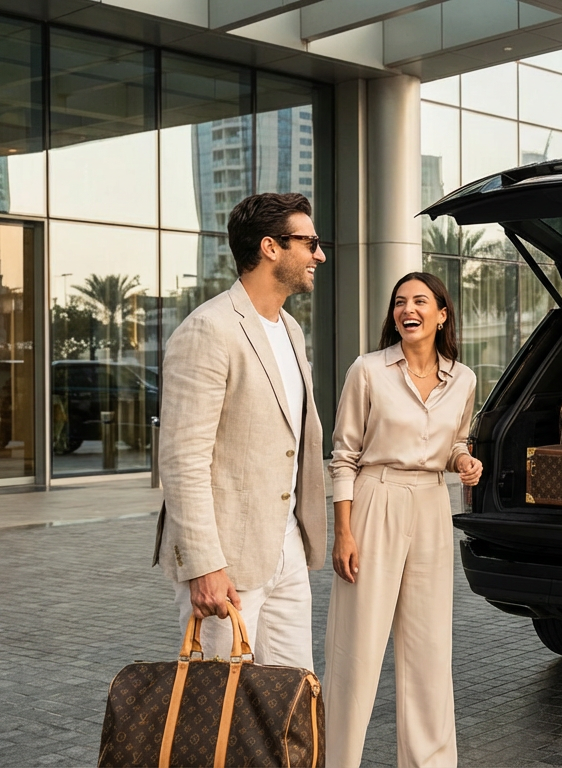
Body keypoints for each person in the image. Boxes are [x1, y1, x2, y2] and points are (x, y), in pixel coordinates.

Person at [155, 192, 327, 668]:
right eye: (310, 243)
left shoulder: (291, 330)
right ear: (271, 247)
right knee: (220, 701)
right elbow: (183, 459)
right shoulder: (208, 329)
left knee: (293, 692)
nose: (319, 255)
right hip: (226, 560)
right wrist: (205, 564)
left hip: (285, 547)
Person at [325, 272, 483, 767]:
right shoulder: (368, 370)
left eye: (419, 301)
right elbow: (344, 455)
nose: (407, 309)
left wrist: (464, 459)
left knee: (429, 649)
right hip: (376, 498)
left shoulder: (464, 379)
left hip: (432, 503)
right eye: (399, 302)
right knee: (357, 647)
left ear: (442, 314)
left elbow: (457, 440)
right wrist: (343, 531)